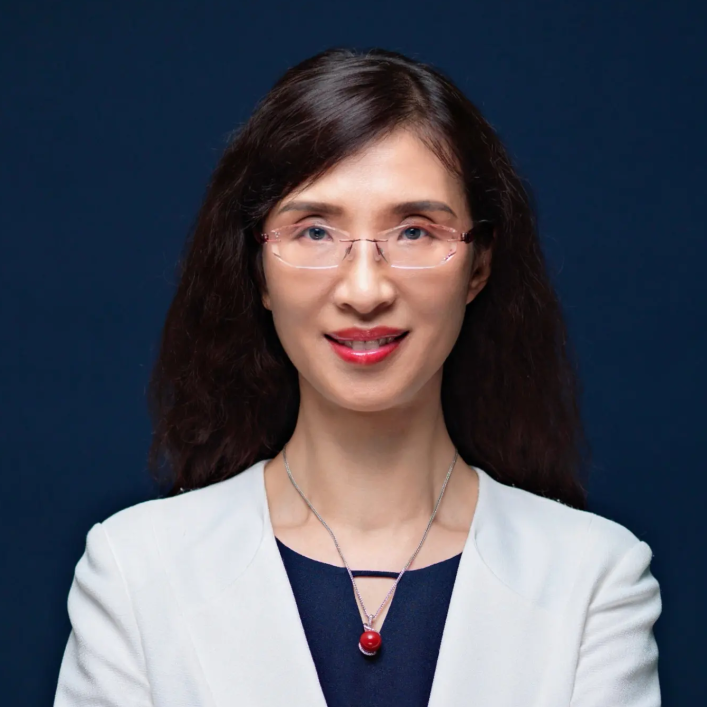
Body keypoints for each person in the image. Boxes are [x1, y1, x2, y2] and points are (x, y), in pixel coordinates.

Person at [54, 47, 662, 707]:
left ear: (479, 266)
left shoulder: (594, 580)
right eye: (315, 231)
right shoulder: (135, 572)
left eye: (414, 232)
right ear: (258, 268)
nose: (365, 291)